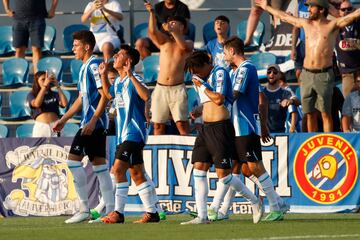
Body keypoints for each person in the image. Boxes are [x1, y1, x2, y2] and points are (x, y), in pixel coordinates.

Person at [181, 51, 263, 225]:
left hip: (221, 128)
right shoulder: (200, 78)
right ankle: (202, 216)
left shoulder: (219, 72)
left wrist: (202, 85)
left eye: (197, 70)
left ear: (205, 64)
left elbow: (219, 99)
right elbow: (209, 102)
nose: (195, 74)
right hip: (205, 128)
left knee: (224, 176)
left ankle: (255, 201)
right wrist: (199, 110)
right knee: (198, 169)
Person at [256, 0, 360, 133]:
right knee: (309, 113)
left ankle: (326, 142)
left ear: (321, 10)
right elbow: (285, 16)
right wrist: (267, 7)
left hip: (324, 74)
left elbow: (354, 15)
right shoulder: (306, 24)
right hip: (306, 74)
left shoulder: (332, 25)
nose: (309, 9)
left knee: (325, 114)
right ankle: (312, 143)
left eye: (312, 7)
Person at [216, 36, 288, 221]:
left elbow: (235, 94)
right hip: (235, 128)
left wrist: (214, 99)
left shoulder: (247, 68)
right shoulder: (234, 71)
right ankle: (223, 210)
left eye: (225, 51)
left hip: (245, 125)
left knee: (256, 167)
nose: (223, 55)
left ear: (232, 51)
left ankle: (275, 206)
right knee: (238, 169)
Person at [52, 30, 114, 224]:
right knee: (100, 168)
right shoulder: (84, 67)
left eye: (76, 45)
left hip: (93, 123)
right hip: (90, 122)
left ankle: (84, 209)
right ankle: (110, 212)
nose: (73, 49)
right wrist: (64, 119)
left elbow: (105, 94)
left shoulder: (94, 65)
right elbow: (81, 99)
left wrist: (94, 120)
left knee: (72, 162)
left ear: (87, 47)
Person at [98, 45, 160, 224]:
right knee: (137, 173)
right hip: (122, 135)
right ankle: (152, 213)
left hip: (134, 133)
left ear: (128, 61)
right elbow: (110, 95)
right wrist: (103, 75)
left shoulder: (136, 78)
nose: (115, 56)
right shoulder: (117, 82)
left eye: (120, 54)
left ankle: (118, 213)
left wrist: (131, 75)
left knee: (117, 170)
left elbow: (146, 95)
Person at [145, 1, 193, 135]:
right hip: (161, 88)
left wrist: (175, 32)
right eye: (169, 23)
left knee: (182, 125)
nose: (170, 24)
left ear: (182, 27)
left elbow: (183, 47)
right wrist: (152, 13)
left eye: (174, 23)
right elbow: (152, 31)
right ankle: (157, 154)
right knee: (158, 126)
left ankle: (188, 155)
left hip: (177, 89)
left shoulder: (188, 43)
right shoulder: (164, 41)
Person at [2, 0, 58, 73]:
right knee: (19, 50)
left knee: (36, 49)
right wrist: (7, 8)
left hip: (37, 18)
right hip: (19, 18)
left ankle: (37, 80)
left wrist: (53, 9)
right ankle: (21, 80)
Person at [27, 71, 68, 137]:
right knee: (39, 147)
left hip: (55, 125)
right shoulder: (32, 94)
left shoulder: (54, 94)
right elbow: (37, 104)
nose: (46, 81)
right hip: (41, 126)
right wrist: (44, 86)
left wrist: (57, 86)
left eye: (47, 79)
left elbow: (64, 104)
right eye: (43, 79)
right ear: (37, 81)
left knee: (58, 147)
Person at [335, 0, 360, 98]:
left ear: (354, 11)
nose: (346, 12)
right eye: (343, 9)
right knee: (349, 105)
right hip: (347, 73)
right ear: (339, 12)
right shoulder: (335, 26)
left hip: (359, 70)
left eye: (349, 9)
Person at [263, 64, 298, 133]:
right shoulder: (261, 92)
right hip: (262, 132)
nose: (271, 74)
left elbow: (297, 101)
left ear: (279, 75)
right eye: (269, 72)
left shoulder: (285, 92)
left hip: (280, 132)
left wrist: (290, 101)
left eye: (275, 72)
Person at [291, 0, 309, 81]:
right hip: (302, 43)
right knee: (298, 72)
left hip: (315, 44)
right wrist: (293, 48)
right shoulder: (300, 3)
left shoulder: (319, 3)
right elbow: (296, 27)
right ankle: (302, 92)